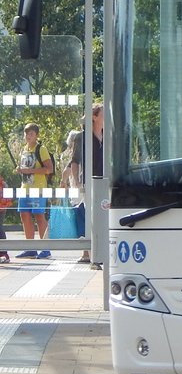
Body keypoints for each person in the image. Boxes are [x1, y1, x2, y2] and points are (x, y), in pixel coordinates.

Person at [66, 102, 103, 265]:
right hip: (88, 182)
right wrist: (76, 182)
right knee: (89, 216)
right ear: (94, 117)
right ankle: (89, 253)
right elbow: (74, 162)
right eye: (103, 113)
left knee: (102, 215)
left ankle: (97, 251)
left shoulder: (107, 135)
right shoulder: (82, 137)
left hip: (105, 182)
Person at [15, 122, 53, 259]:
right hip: (24, 188)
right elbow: (25, 168)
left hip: (38, 189)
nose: (28, 136)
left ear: (36, 135)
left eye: (31, 133)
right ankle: (30, 248)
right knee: (24, 216)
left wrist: (29, 170)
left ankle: (45, 248)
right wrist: (20, 170)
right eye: (26, 133)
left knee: (39, 217)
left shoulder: (41, 149)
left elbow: (49, 169)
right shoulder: (24, 149)